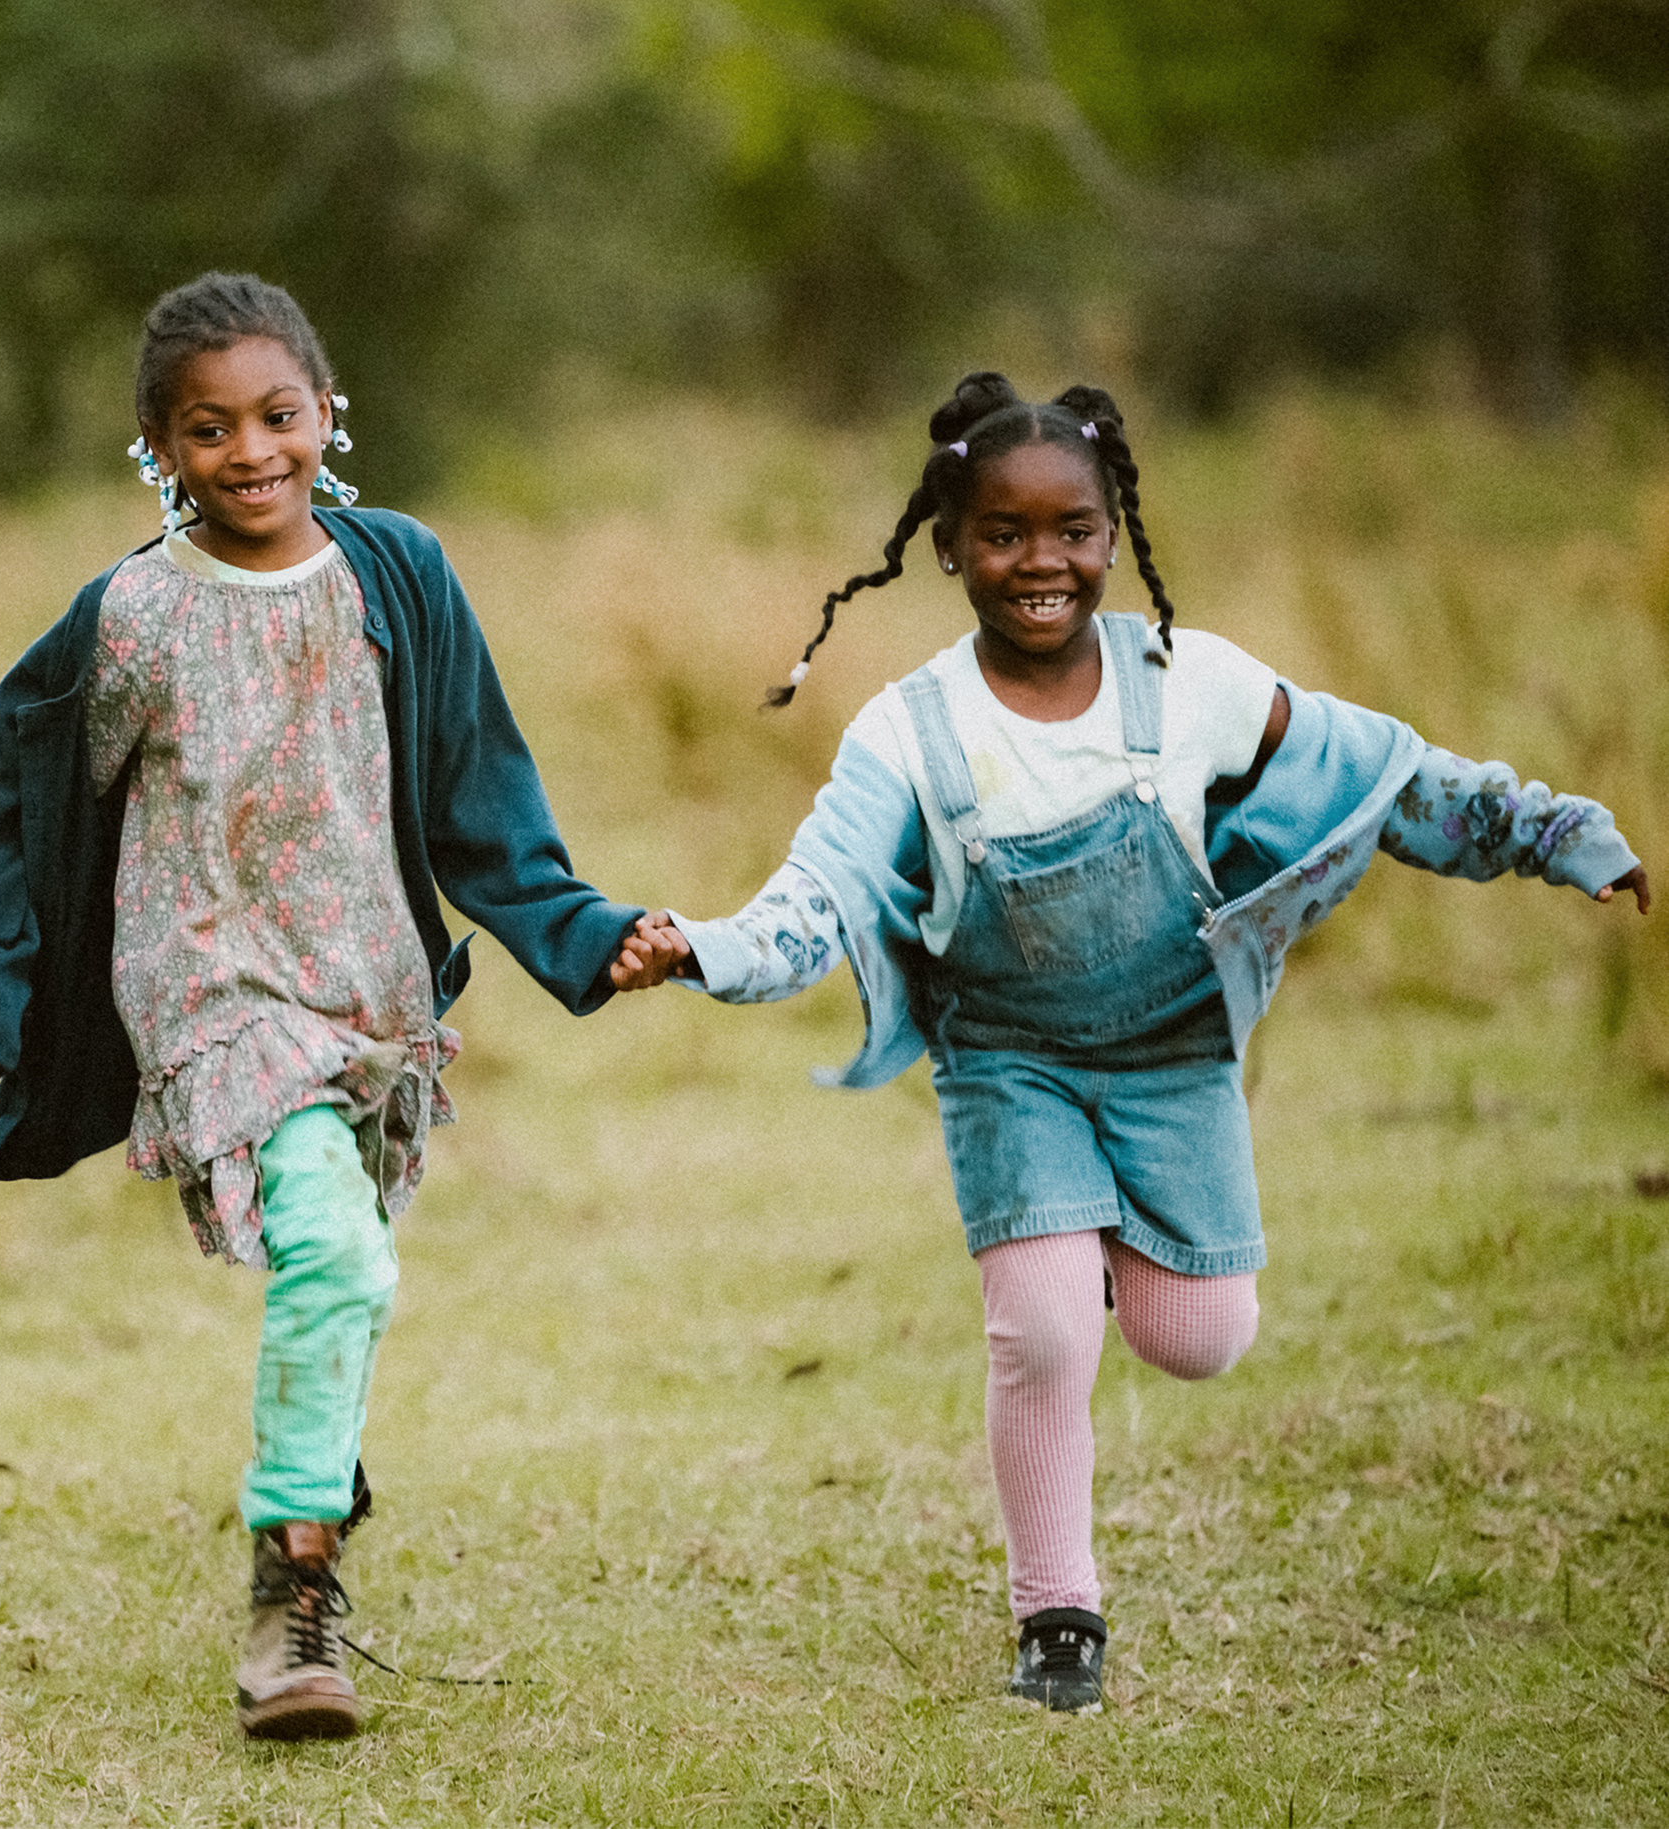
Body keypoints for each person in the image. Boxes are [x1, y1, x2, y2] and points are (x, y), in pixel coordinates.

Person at [655, 373, 1647, 1711]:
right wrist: (705, 947)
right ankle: (1057, 1614)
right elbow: (816, 895)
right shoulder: (909, 728)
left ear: (1112, 532)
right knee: (1049, 1335)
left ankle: (1096, 1253)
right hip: (1008, 1061)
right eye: (1002, 533)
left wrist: (1545, 833)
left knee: (1199, 1335)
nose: (1040, 561)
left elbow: (1385, 772)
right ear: (948, 543)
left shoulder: (1194, 683)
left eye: (1072, 528)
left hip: (1175, 1050)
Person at [0, 273, 680, 1740]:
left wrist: (587, 934)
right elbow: (19, 787)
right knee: (346, 1265)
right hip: (208, 994)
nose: (250, 450)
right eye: (208, 428)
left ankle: (314, 1484)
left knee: (348, 1263)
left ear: (328, 412)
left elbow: (478, 792)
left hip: (370, 991)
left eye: (277, 414)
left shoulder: (401, 575)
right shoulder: (130, 616)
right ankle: (291, 1590)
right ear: (157, 444)